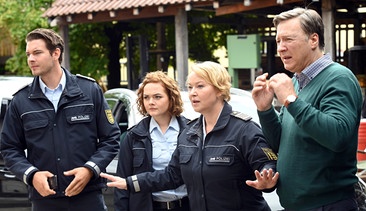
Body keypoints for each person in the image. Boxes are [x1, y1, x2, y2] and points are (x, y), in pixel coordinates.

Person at [101, 61, 279, 211]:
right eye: (190, 87)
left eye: (200, 86)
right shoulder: (189, 133)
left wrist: (267, 179)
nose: (193, 92)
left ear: (219, 89)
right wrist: (130, 183)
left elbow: (268, 163)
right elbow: (172, 175)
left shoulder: (244, 129)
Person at [252, 7, 362, 210]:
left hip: (328, 205)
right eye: (278, 41)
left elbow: (337, 136)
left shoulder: (339, 78)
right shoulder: (296, 82)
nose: (281, 48)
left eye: (288, 40)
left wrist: (291, 101)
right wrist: (265, 110)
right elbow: (280, 145)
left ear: (313, 40)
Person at [0, 28, 120, 211]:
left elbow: (111, 139)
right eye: (28, 54)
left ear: (56, 53)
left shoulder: (89, 91)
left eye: (37, 53)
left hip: (88, 197)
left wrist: (90, 169)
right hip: (45, 200)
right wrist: (32, 175)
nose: (30, 59)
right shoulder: (21, 101)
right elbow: (9, 148)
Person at [114, 71, 190, 211]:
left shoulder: (191, 132)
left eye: (157, 97)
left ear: (171, 98)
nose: (151, 102)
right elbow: (122, 185)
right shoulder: (133, 136)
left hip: (186, 205)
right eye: (146, 97)